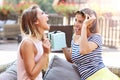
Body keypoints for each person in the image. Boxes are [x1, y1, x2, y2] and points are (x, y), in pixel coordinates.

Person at [62, 8, 120, 80]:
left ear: (89, 24)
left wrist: (84, 26)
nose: (76, 24)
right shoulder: (75, 37)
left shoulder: (96, 37)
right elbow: (71, 59)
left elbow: (83, 50)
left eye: (80, 22)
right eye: (76, 20)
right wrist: (61, 43)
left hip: (101, 76)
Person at [17, 4, 51, 80]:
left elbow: (43, 68)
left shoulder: (39, 41)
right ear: (35, 21)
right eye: (42, 13)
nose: (47, 15)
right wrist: (45, 53)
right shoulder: (28, 43)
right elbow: (31, 75)